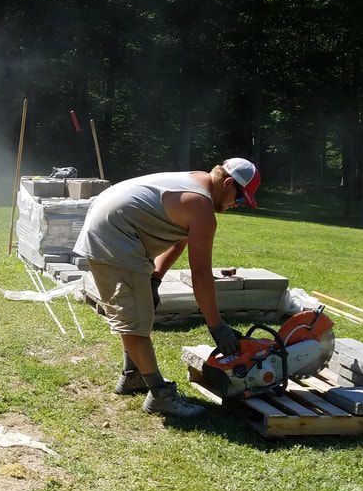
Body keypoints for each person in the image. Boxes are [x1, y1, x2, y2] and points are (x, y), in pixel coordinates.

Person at [73, 158, 262, 417]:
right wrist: (216, 325)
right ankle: (159, 396)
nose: (235, 206)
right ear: (229, 183)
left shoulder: (196, 183)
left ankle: (134, 375)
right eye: (239, 200)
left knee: (138, 310)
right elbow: (201, 275)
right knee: (134, 319)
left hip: (109, 227)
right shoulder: (201, 206)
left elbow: (178, 239)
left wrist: (155, 278)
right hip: (114, 236)